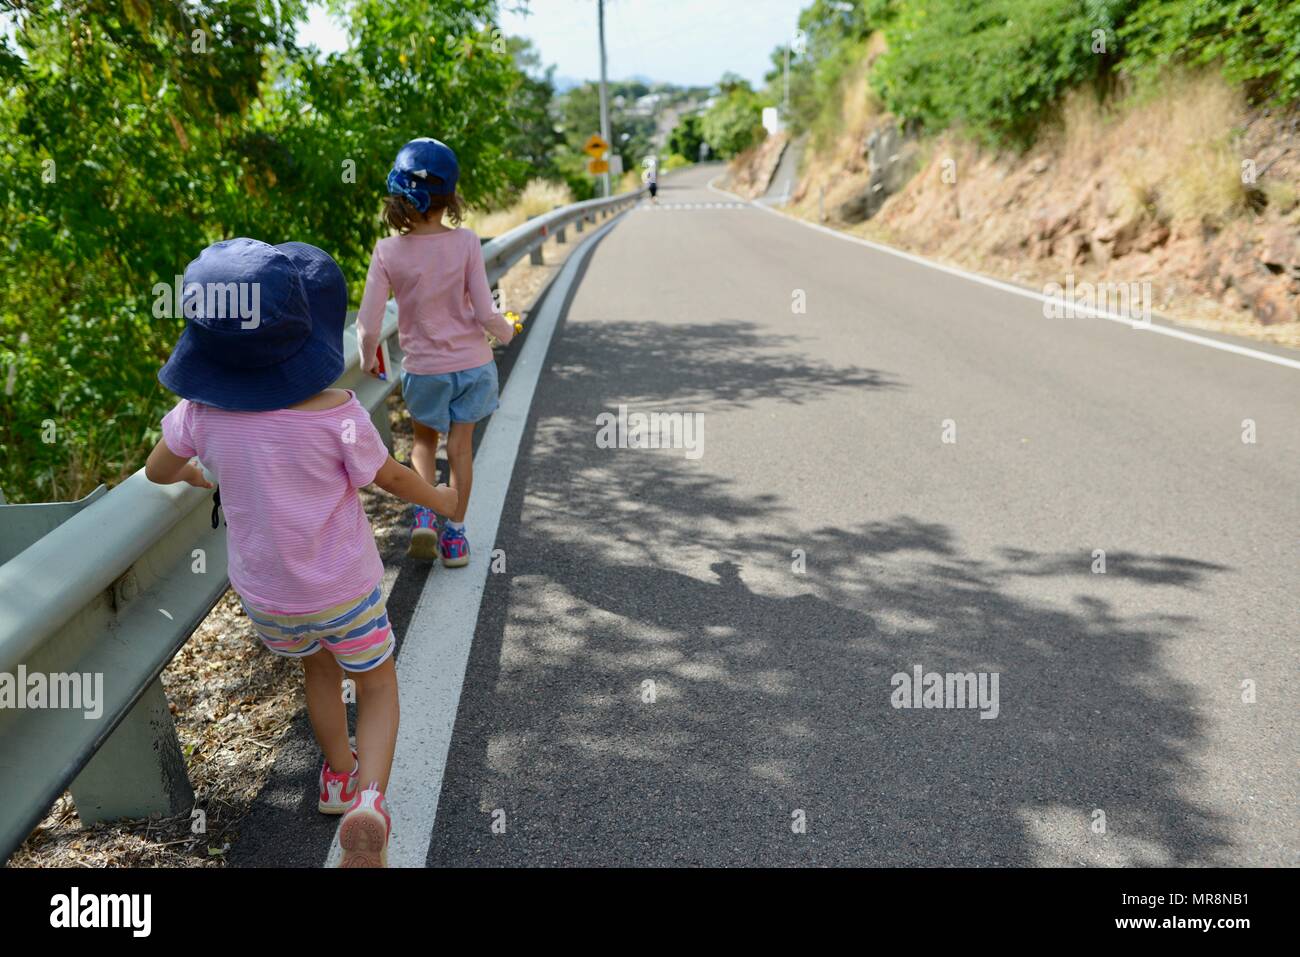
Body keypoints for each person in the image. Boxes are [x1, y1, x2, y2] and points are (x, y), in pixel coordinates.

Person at [145, 238, 457, 868]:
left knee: (318, 672)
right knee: (375, 684)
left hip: (270, 602)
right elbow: (391, 478)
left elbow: (158, 470)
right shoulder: (335, 414)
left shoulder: (201, 415)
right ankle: (370, 801)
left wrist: (201, 476)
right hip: (344, 590)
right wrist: (442, 499)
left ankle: (337, 777)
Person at [357, 137, 516, 565]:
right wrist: (507, 330)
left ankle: (425, 512)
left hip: (425, 370)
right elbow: (485, 311)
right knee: (460, 450)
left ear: (398, 196)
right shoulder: (465, 243)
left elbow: (368, 324)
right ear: (451, 197)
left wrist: (370, 356)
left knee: (424, 443)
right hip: (473, 367)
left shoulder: (387, 251)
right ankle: (456, 539)